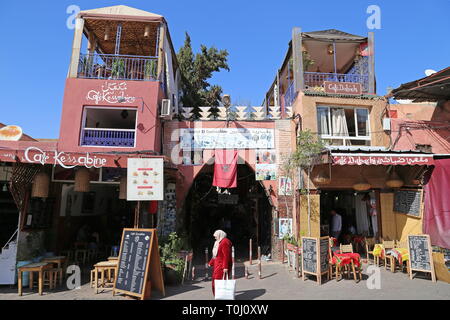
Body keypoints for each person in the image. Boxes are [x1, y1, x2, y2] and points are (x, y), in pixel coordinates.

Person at [208, 230, 232, 297]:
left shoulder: (225, 242)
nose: (215, 238)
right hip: (218, 265)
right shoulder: (218, 242)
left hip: (222, 266)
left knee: (218, 281)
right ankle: (218, 296)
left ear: (219, 235)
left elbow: (226, 256)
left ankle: (221, 296)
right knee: (216, 281)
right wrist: (211, 263)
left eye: (215, 236)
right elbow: (216, 255)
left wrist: (225, 267)